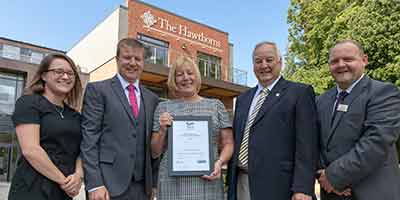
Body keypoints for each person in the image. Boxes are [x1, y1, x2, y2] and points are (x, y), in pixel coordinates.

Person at [226, 41, 319, 200]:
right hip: (241, 182)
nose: (264, 65)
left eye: (269, 60)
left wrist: (303, 188)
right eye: (258, 61)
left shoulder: (299, 93)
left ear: (280, 62)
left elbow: (307, 144)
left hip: (279, 185)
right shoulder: (242, 99)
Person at [316, 39, 400, 200]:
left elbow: (376, 142)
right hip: (331, 194)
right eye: (334, 61)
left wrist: (334, 177)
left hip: (372, 193)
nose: (341, 65)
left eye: (348, 59)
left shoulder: (384, 93)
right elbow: (312, 142)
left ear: (364, 60)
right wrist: (321, 175)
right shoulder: (321, 101)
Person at [80, 38, 159, 200]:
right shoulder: (98, 90)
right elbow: (89, 139)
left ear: (143, 63)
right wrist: (95, 183)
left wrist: (154, 184)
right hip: (107, 186)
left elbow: (154, 143)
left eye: (137, 59)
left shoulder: (152, 99)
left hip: (142, 188)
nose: (132, 63)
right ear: (117, 60)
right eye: (127, 57)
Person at [150, 56, 234, 200]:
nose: (186, 78)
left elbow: (228, 143)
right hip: (172, 182)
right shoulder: (163, 107)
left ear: (197, 76)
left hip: (208, 178)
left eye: (190, 73)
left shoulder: (216, 105)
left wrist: (219, 163)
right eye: (180, 74)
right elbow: (154, 152)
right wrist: (163, 129)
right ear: (174, 79)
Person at [8, 53, 84, 200]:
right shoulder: (28, 103)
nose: (66, 77)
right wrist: (63, 181)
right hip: (32, 189)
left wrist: (78, 176)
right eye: (58, 72)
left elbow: (84, 149)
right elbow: (31, 150)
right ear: (43, 76)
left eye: (70, 73)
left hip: (63, 192)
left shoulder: (75, 116)